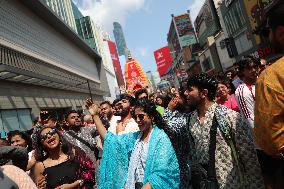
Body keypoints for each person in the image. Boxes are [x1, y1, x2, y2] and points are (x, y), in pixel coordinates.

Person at [184, 73, 264, 189]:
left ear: (204, 93)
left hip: (233, 183)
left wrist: (256, 186)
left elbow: (249, 157)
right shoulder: (189, 120)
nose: (186, 93)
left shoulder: (229, 117)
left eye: (190, 90)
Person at [86, 98, 180, 189]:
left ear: (151, 117)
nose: (138, 120)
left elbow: (161, 173)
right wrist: (95, 116)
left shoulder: (160, 138)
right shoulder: (135, 138)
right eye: (135, 117)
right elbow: (111, 140)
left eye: (141, 116)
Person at [254, 2, 284, 188]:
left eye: (268, 32)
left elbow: (270, 140)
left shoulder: (271, 77)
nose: (268, 37)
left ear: (280, 32)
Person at [162, 88, 192, 189]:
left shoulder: (185, 117)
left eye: (177, 97)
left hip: (190, 166)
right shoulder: (177, 117)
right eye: (174, 98)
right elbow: (162, 128)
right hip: (180, 167)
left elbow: (162, 128)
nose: (173, 100)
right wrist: (169, 110)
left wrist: (169, 110)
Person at [235, 56, 259, 130]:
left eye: (255, 66)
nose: (253, 70)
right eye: (249, 68)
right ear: (242, 71)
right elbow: (250, 119)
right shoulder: (242, 91)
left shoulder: (264, 81)